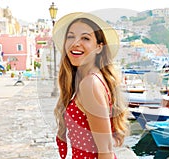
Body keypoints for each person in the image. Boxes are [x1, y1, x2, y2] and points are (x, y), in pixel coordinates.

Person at [52, 12, 129, 159]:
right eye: (70, 37)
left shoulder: (90, 84)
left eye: (85, 38)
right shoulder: (93, 79)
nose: (76, 43)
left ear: (99, 47)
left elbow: (105, 148)